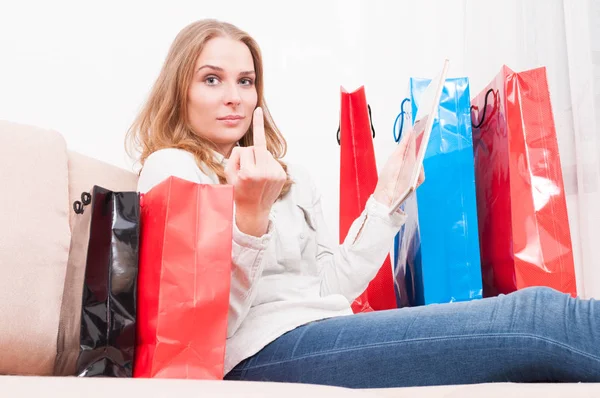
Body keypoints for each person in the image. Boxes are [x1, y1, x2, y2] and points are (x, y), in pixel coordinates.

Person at [126, 19, 600, 388]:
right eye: (212, 80)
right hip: (255, 351)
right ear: (180, 90)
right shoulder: (174, 168)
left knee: (534, 320)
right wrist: (250, 217)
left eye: (246, 82)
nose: (234, 98)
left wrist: (385, 198)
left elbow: (328, 282)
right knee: (537, 318)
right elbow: (204, 325)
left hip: (320, 326)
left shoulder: (288, 175)